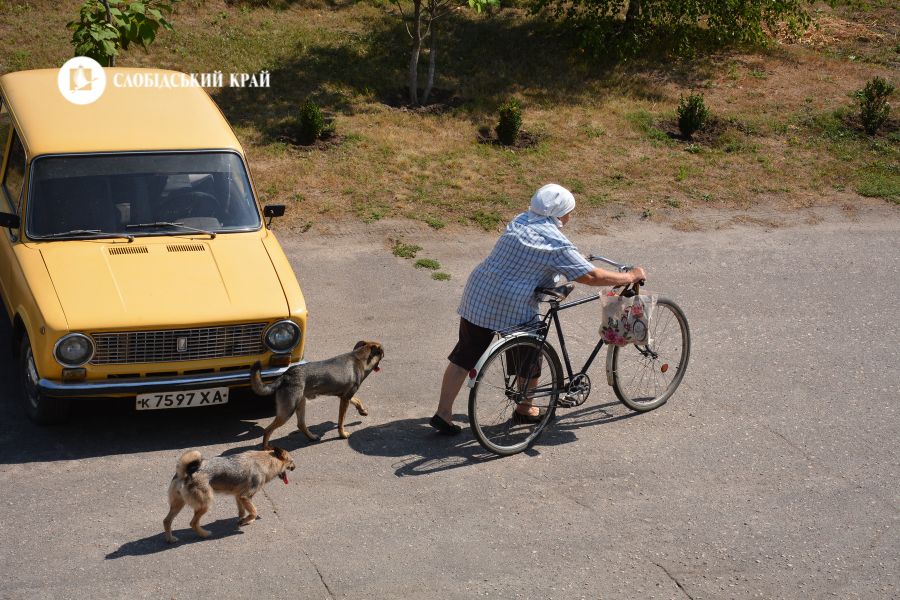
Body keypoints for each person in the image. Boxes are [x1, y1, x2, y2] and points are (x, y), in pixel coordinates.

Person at [429, 183, 647, 435]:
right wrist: (630, 276)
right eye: (569, 211)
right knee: (531, 352)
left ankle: (442, 413)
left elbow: (531, 257)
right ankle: (526, 408)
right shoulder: (556, 244)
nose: (570, 216)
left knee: (464, 355)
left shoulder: (520, 220)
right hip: (511, 302)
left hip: (479, 292)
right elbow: (592, 276)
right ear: (559, 214)